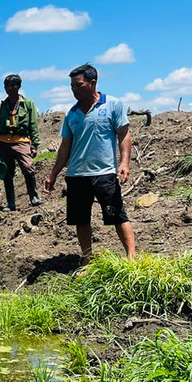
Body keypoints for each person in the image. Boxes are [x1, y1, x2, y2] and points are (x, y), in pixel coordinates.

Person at [42, 63, 136, 264]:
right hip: (76, 174)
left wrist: (125, 163)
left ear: (93, 83)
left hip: (104, 173)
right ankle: (87, 259)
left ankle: (132, 257)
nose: (74, 90)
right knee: (81, 220)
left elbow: (124, 135)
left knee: (117, 214)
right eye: (72, 86)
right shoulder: (72, 114)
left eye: (79, 85)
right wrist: (53, 174)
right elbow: (65, 147)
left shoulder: (112, 105)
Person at [0, 74, 42, 211]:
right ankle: (11, 203)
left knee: (28, 167)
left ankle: (34, 197)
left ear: (19, 86)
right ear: (4, 88)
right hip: (3, 141)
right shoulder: (1, 106)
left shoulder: (28, 104)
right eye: (8, 86)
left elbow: (33, 125)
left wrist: (35, 145)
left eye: (14, 85)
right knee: (7, 172)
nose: (11, 88)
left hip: (21, 141)